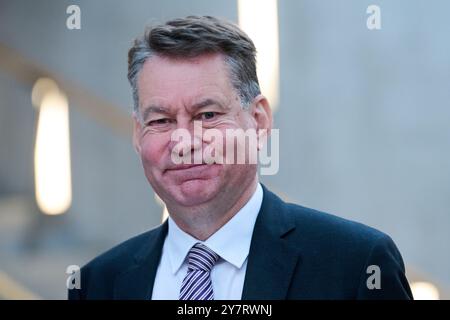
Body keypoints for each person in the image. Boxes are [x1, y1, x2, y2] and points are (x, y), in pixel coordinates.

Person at [68, 16, 412, 300]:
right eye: (161, 121)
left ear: (258, 120)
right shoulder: (97, 286)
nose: (185, 142)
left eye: (207, 115)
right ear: (137, 133)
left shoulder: (356, 266)